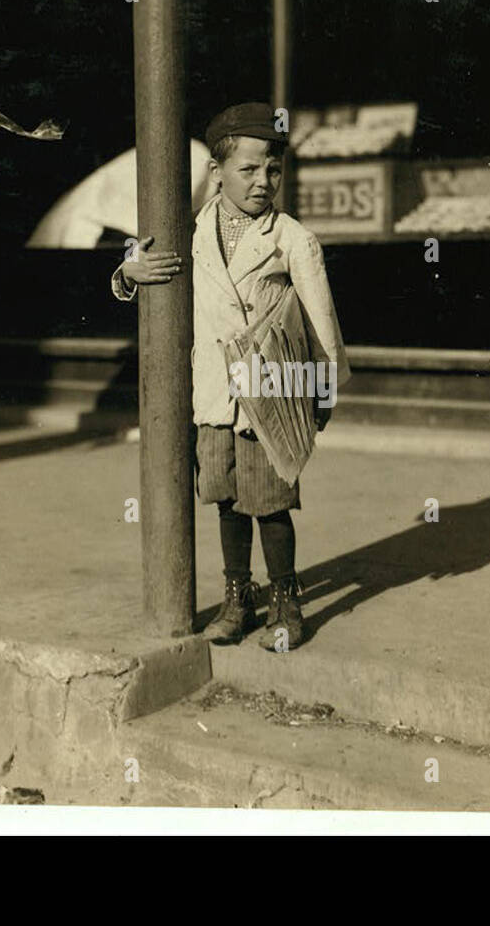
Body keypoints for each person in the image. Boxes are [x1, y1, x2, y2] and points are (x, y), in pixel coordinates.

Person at [110, 102, 349, 650]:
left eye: (273, 170)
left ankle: (287, 604)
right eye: (248, 170)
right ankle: (238, 598)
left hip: (272, 395)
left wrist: (320, 391)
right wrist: (129, 271)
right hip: (215, 396)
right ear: (217, 173)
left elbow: (321, 322)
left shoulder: (292, 239)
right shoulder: (191, 232)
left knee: (271, 503)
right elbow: (141, 270)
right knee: (225, 499)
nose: (263, 182)